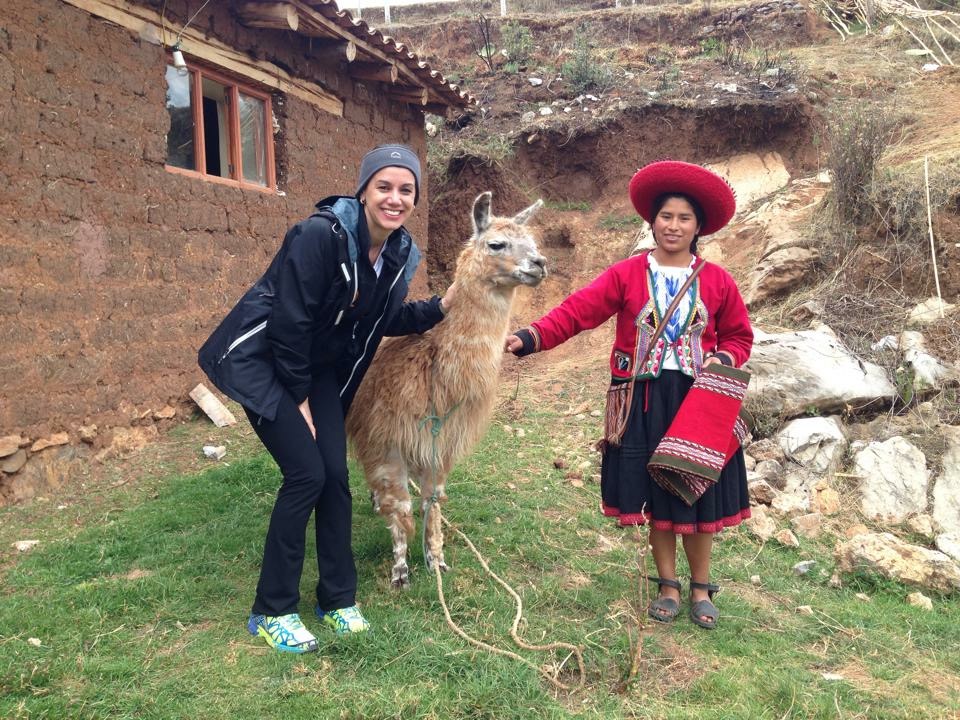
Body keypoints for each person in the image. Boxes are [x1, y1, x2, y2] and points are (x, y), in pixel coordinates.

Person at [198, 144, 456, 653]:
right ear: (363, 191)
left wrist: (442, 305)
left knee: (336, 478)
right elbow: (289, 320)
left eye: (406, 190)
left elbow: (385, 317)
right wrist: (299, 400)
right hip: (265, 361)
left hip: (316, 369)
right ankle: (272, 610)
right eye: (384, 186)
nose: (395, 198)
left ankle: (337, 599)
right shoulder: (320, 235)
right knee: (306, 475)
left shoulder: (397, 253)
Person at [505, 160, 753, 630]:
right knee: (657, 495)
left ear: (698, 226)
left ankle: (701, 588)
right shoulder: (626, 274)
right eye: (665, 216)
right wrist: (531, 336)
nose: (673, 225)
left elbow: (740, 336)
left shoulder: (718, 281)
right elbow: (578, 311)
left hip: (699, 402)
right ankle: (668, 586)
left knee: (697, 492)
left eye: (683, 218)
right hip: (642, 401)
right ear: (652, 222)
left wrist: (722, 358)